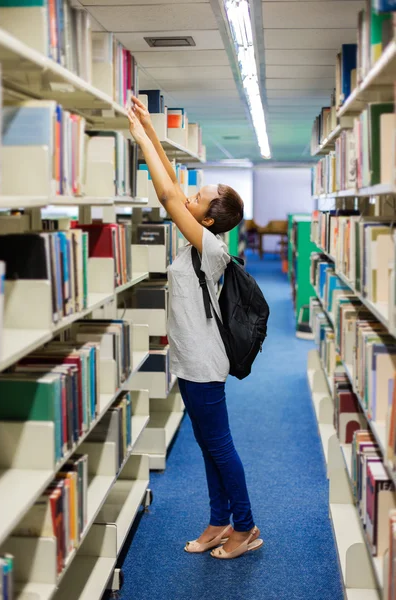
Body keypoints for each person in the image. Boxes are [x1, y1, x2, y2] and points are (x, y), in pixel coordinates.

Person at [127, 97, 263, 560]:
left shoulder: (209, 248)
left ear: (205, 220)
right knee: (208, 445)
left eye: (199, 198)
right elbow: (176, 187)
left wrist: (142, 139)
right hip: (190, 359)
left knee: (219, 446)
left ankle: (245, 526)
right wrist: (152, 129)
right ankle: (218, 521)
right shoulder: (202, 237)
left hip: (203, 364)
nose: (190, 195)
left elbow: (168, 196)